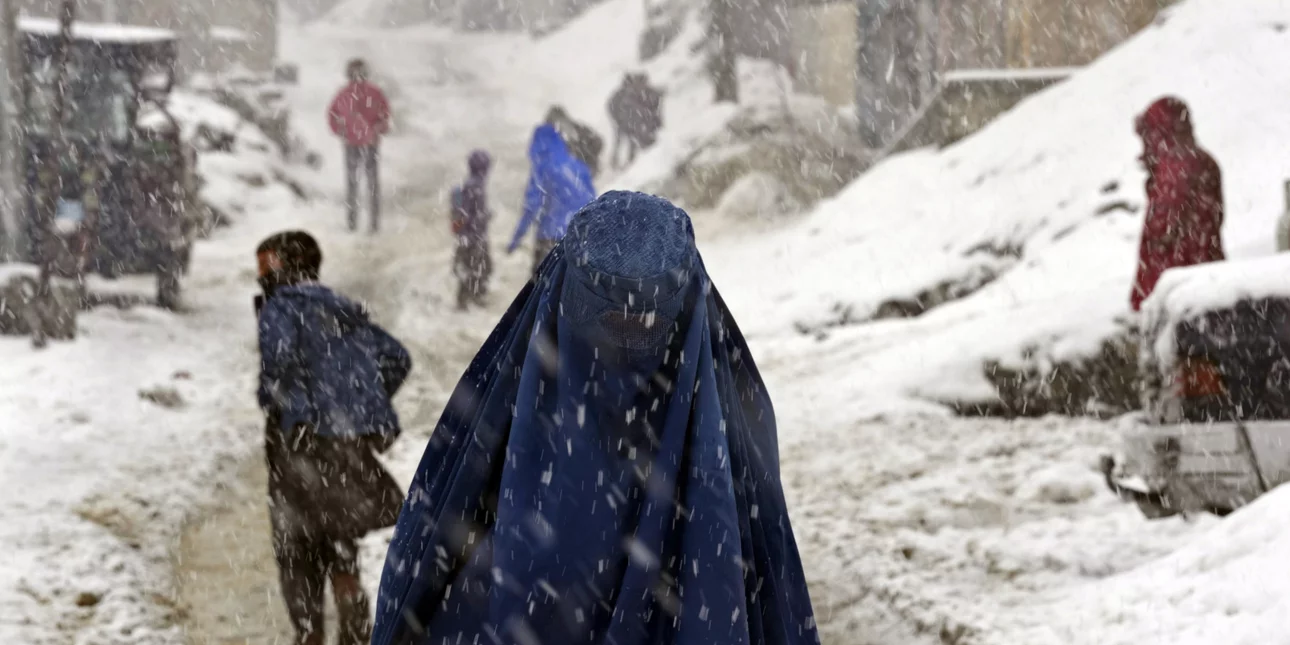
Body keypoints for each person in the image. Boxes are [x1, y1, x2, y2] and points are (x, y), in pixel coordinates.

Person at [370, 191, 820, 645]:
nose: (627, 339)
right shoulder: (727, 424)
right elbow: (768, 592)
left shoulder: (502, 405)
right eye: (611, 319)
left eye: (645, 322)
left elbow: (423, 562)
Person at [255, 231, 411, 645]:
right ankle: (352, 613)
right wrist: (359, 405)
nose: (261, 278)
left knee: (296, 546)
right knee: (340, 535)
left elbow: (280, 363)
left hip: (298, 446)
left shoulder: (280, 309)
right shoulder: (344, 312)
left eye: (265, 268)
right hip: (346, 445)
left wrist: (284, 400)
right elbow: (396, 358)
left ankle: (309, 632)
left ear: (282, 269)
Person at [1129, 97, 1225, 311]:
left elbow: (1161, 236)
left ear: (1159, 133)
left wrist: (1144, 298)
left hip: (1178, 294)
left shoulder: (1177, 169)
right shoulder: (1198, 161)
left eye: (1148, 135)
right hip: (1206, 281)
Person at [507, 123, 596, 273]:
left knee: (542, 287)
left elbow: (531, 206)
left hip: (550, 238)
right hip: (579, 237)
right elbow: (592, 201)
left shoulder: (543, 168)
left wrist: (516, 239)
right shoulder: (579, 167)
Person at [328, 58, 391, 233]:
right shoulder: (375, 93)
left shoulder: (344, 94)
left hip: (353, 144)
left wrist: (340, 131)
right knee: (371, 185)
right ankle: (372, 223)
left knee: (353, 185)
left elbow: (332, 115)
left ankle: (353, 223)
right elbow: (385, 115)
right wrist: (377, 131)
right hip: (368, 144)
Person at [450, 150, 494, 310]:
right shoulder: (477, 187)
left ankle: (469, 300)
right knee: (480, 268)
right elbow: (471, 215)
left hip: (466, 237)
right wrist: (486, 216)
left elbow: (463, 215)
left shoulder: (466, 186)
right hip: (475, 238)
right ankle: (468, 301)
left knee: (471, 268)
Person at [608, 72, 663, 169]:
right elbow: (616, 109)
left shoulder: (631, 94)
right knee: (627, 139)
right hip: (623, 120)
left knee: (625, 139)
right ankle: (625, 162)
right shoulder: (623, 96)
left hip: (625, 120)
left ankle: (625, 161)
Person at [545, 105, 604, 177]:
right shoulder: (549, 140)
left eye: (562, 121)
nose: (560, 126)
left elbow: (598, 141)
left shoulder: (579, 129)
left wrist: (585, 148)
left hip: (587, 171)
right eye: (556, 124)